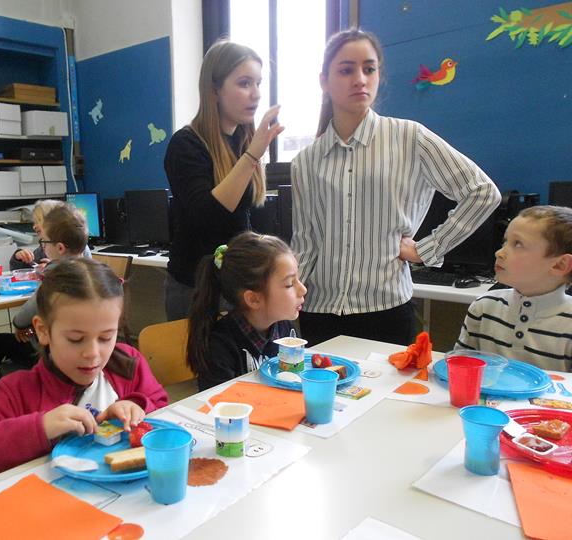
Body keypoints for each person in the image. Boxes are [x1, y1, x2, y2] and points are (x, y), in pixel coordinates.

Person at [291, 28, 501, 347]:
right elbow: (306, 242)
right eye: (346, 70)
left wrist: (427, 248)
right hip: (319, 313)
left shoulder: (409, 138)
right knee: (321, 398)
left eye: (369, 68)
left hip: (386, 311)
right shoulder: (306, 161)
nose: (359, 78)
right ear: (324, 81)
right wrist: (287, 298)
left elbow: (483, 192)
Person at [0, 257, 169, 495]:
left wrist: (136, 406)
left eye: (106, 337)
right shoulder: (18, 392)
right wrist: (38, 428)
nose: (93, 354)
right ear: (42, 331)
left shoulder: (126, 363)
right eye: (75, 339)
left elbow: (160, 405)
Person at [164, 39, 285, 320]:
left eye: (258, 83)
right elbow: (209, 214)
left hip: (236, 286)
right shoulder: (185, 144)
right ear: (214, 89)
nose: (255, 94)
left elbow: (243, 218)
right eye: (244, 83)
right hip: (195, 290)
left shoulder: (242, 143)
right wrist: (254, 154)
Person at [0, 204, 90, 404]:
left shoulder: (56, 276)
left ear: (59, 248)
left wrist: (20, 325)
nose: (42, 245)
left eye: (44, 242)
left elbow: (23, 316)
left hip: (52, 350)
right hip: (80, 346)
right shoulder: (90, 271)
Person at [456, 206, 572, 372]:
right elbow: (460, 369)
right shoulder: (484, 307)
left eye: (517, 244)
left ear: (560, 265)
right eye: (505, 242)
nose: (499, 253)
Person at [187, 231, 306, 391]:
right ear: (254, 299)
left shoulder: (285, 328)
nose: (303, 289)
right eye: (290, 284)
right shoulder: (220, 345)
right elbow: (219, 405)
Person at [10, 199, 93, 270]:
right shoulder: (45, 246)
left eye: (39, 220)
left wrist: (53, 269)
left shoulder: (76, 248)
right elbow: (29, 267)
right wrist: (19, 258)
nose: (34, 226)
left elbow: (79, 270)